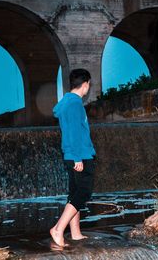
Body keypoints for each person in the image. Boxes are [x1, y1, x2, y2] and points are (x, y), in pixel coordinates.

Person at [50, 68, 96, 247]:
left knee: (75, 193)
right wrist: (78, 158)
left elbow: (69, 132)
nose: (88, 88)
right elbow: (75, 133)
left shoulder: (66, 102)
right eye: (88, 85)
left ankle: (75, 233)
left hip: (72, 154)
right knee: (84, 192)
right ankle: (58, 229)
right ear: (85, 84)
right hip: (80, 155)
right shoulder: (75, 104)